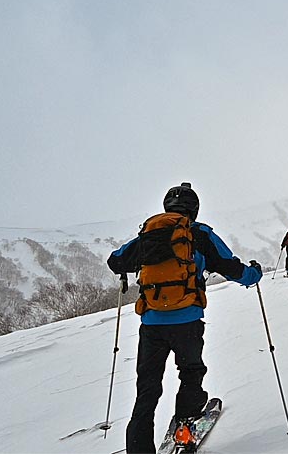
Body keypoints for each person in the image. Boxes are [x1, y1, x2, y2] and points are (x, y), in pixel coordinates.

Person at [107, 182, 262, 454]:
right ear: (195, 209)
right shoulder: (200, 234)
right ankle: (185, 431)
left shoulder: (150, 233)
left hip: (152, 325)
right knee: (191, 372)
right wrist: (254, 274)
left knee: (147, 389)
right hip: (187, 322)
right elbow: (230, 267)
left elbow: (116, 260)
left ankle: (138, 449)